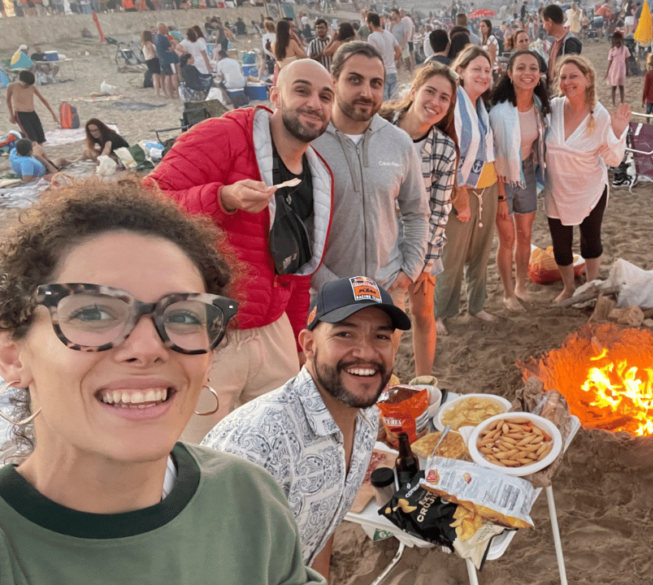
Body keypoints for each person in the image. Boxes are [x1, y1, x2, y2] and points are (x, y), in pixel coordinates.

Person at [0, 179, 325, 585]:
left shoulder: (248, 499)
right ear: (12, 355)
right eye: (94, 313)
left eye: (185, 316)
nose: (148, 347)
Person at [145, 60, 336, 445]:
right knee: (200, 454)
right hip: (210, 332)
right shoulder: (225, 136)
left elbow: (299, 272)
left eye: (325, 96)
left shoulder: (320, 175)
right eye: (302, 90)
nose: (314, 103)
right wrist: (222, 198)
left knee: (276, 444)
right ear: (275, 94)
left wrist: (298, 344)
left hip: (274, 331)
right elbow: (147, 202)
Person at [205, 277, 409, 577]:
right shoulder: (256, 446)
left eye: (380, 337)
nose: (366, 353)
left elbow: (320, 532)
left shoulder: (364, 421)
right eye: (344, 334)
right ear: (309, 345)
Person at [311, 42, 428, 345]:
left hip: (387, 291)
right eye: (355, 80)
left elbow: (416, 210)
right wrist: (325, 285)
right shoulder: (309, 142)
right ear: (333, 81)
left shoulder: (399, 142)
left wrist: (409, 269)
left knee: (380, 377)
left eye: (376, 83)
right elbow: (295, 225)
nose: (367, 92)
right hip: (324, 295)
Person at [380, 63, 459, 375]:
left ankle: (424, 382)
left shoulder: (444, 149)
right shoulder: (380, 126)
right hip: (379, 239)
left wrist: (424, 264)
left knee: (423, 313)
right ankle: (383, 389)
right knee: (388, 321)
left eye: (444, 98)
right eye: (430, 91)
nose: (435, 102)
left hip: (421, 241)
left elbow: (440, 211)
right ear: (413, 91)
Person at [545, 55, 630, 302]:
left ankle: (592, 285)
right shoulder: (553, 108)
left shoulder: (600, 116)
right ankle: (569, 287)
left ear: (588, 78)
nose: (567, 82)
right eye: (563, 77)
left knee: (590, 240)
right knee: (561, 244)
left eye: (574, 76)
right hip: (557, 189)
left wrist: (617, 131)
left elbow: (614, 160)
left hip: (590, 189)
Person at [434, 46, 500, 334]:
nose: (484, 75)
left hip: (487, 187)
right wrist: (460, 198)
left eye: (487, 71)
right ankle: (439, 313)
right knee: (452, 256)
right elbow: (451, 156)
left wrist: (498, 194)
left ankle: (477, 305)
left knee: (481, 253)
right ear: (460, 71)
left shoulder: (479, 106)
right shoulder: (453, 105)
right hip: (460, 191)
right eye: (477, 69)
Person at [491, 49, 550, 311]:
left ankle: (521, 286)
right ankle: (507, 293)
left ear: (540, 74)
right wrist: (501, 196)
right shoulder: (499, 112)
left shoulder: (540, 107)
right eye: (521, 68)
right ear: (510, 74)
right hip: (502, 177)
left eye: (533, 68)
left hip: (527, 172)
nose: (528, 73)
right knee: (507, 239)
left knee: (526, 234)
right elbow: (494, 156)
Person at [5, 71, 56, 146]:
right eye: (25, 84)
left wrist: (53, 114)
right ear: (20, 79)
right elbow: (8, 101)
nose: (27, 86)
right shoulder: (12, 87)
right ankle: (33, 154)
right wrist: (11, 115)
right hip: (21, 114)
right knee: (31, 138)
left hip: (32, 113)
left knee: (40, 137)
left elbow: (43, 100)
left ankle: (40, 154)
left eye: (29, 85)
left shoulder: (32, 87)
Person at [542, 4, 583, 86]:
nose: (543, 26)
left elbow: (571, 73)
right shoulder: (555, 42)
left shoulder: (570, 43)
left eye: (543, 22)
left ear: (550, 22)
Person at [366, 12, 401, 101]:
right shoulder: (389, 34)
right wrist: (391, 61)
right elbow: (398, 52)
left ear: (370, 23)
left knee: (384, 104)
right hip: (393, 71)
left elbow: (373, 56)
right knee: (394, 102)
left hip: (382, 73)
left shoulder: (372, 37)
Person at [155, 23, 180, 100]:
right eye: (165, 29)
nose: (167, 30)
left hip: (162, 59)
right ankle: (177, 94)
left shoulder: (156, 37)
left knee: (167, 76)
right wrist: (173, 44)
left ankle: (170, 94)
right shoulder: (164, 38)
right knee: (173, 76)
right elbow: (171, 49)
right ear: (161, 29)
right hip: (169, 59)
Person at [605, 31, 629, 106]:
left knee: (621, 86)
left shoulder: (625, 49)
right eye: (616, 43)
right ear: (614, 43)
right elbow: (610, 62)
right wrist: (607, 72)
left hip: (622, 70)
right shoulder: (612, 51)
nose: (618, 45)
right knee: (614, 87)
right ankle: (613, 103)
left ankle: (622, 101)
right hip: (614, 71)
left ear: (622, 41)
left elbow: (626, 60)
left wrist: (629, 69)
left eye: (619, 43)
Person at [142, 31, 165, 99]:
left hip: (148, 60)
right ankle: (159, 93)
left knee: (156, 76)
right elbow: (153, 54)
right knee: (158, 77)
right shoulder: (149, 44)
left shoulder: (144, 44)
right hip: (153, 60)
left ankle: (158, 92)